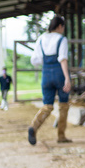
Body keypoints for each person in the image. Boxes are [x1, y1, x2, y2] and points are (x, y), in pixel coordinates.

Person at [28, 15, 73, 145]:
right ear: (60, 26)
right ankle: (61, 135)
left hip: (46, 74)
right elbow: (63, 59)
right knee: (63, 105)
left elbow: (35, 60)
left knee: (47, 105)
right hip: (59, 73)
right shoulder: (62, 39)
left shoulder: (41, 39)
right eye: (63, 27)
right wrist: (67, 78)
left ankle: (34, 127)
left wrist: (47, 65)